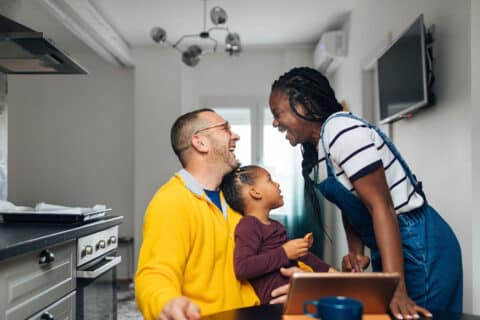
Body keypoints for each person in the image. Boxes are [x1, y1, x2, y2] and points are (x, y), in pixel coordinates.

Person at [268, 67, 463, 319]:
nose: (274, 122)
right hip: (391, 246)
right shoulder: (322, 145)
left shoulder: (341, 131)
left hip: (419, 245)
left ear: (304, 105)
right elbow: (350, 202)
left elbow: (381, 206)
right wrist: (356, 252)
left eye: (277, 113)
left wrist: (397, 287)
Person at [135, 109, 260, 320]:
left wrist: (298, 276)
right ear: (200, 142)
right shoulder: (171, 201)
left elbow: (266, 251)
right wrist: (167, 302)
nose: (235, 135)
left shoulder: (234, 202)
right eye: (225, 128)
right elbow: (155, 273)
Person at [221, 165, 335, 304]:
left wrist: (336, 275)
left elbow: (304, 258)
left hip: (296, 298)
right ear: (255, 192)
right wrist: (285, 253)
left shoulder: (275, 226)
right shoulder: (248, 225)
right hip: (274, 305)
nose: (277, 184)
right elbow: (242, 267)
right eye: (270, 180)